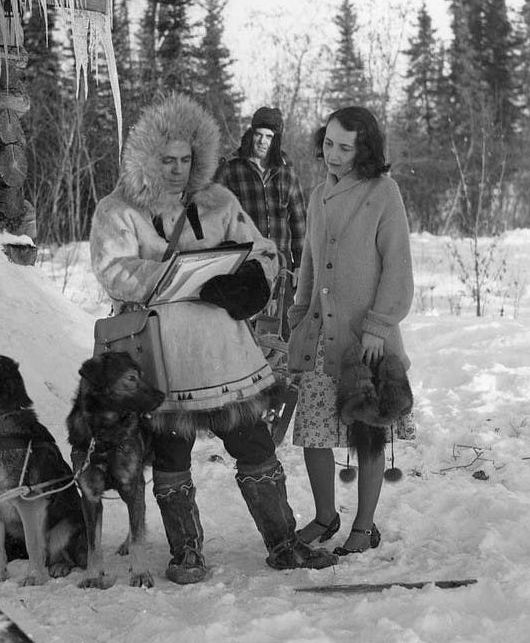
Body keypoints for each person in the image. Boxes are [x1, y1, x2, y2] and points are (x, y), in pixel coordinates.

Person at [88, 92, 336, 584]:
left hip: (225, 353)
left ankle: (284, 543)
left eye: (186, 160)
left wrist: (250, 282)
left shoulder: (219, 201)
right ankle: (186, 554)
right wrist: (179, 276)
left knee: (254, 442)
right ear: (146, 157)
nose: (178, 170)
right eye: (167, 160)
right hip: (162, 355)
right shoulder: (117, 209)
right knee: (172, 454)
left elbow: (263, 250)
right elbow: (113, 270)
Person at [287, 106, 415, 556]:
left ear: (365, 149)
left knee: (368, 433)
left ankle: (365, 525)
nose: (333, 155)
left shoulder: (384, 192)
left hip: (367, 339)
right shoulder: (319, 192)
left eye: (345, 147)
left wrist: (380, 324)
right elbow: (308, 257)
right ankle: (325, 516)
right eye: (328, 144)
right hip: (322, 333)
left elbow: (398, 264)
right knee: (315, 431)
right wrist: (300, 312)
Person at [215, 106, 307, 338]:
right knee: (246, 328)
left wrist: (300, 263)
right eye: (259, 134)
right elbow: (214, 217)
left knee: (282, 327)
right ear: (251, 133)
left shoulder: (286, 171)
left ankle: (282, 373)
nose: (263, 142)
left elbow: (298, 220)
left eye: (269, 137)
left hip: (282, 263)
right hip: (246, 260)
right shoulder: (231, 168)